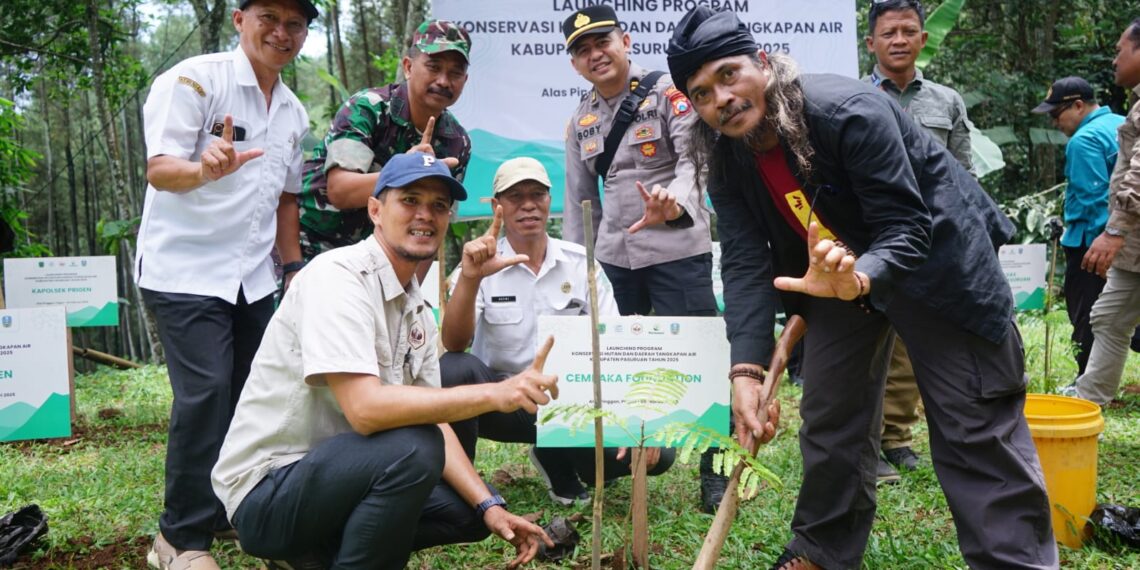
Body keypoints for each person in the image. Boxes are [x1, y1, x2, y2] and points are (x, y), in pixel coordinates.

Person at [666, 7, 1058, 570]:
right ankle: (822, 551)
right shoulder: (724, 157)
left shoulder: (846, 110)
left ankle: (1013, 562)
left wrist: (860, 277)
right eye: (701, 93)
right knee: (829, 416)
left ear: (762, 63)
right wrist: (746, 372)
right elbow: (747, 266)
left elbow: (906, 225)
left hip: (934, 262)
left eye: (728, 75)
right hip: (834, 281)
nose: (720, 99)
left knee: (975, 426)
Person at [211, 152, 554, 569]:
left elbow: (437, 422)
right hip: (268, 492)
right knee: (414, 446)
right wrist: (496, 392)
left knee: (467, 513)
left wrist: (490, 505)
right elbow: (366, 411)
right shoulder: (337, 276)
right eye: (410, 200)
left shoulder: (414, 303)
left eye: (439, 206)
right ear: (375, 210)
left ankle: (318, 556)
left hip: (341, 477)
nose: (425, 215)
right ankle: (315, 553)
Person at [137, 0, 316, 567]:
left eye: (295, 24)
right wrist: (203, 168)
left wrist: (292, 270)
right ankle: (179, 539)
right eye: (269, 17)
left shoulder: (293, 112)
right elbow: (160, 169)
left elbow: (287, 199)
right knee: (207, 393)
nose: (281, 33)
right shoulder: (194, 80)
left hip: (254, 278)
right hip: (184, 270)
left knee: (252, 399)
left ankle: (231, 512)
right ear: (240, 20)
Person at [560, 4, 725, 514]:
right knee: (610, 365)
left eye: (602, 42)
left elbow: (694, 163)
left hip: (677, 248)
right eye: (583, 50)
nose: (595, 54)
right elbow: (577, 202)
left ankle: (715, 473)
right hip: (615, 259)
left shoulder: (669, 95)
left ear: (625, 42)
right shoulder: (580, 121)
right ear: (576, 63)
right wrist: (575, 268)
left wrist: (673, 201)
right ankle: (609, 462)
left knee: (704, 362)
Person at [439, 157, 674, 505]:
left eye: (537, 194)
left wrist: (637, 416)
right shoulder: (477, 266)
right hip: (503, 404)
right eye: (515, 196)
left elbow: (614, 343)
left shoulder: (581, 263)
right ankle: (465, 488)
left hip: (572, 402)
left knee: (655, 455)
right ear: (497, 206)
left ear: (550, 201)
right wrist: (473, 278)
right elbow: (454, 342)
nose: (528, 204)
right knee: (454, 368)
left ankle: (556, 455)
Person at [862, 0, 977, 482]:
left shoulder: (946, 102)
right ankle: (862, 440)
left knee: (911, 344)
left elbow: (963, 175)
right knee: (863, 344)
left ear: (923, 39)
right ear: (871, 42)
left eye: (909, 31)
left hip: (928, 240)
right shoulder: (855, 97)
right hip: (869, 239)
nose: (899, 40)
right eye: (889, 33)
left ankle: (896, 437)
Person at [289, 19, 472, 279]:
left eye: (455, 73)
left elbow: (434, 225)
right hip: (313, 245)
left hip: (375, 260)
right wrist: (404, 170)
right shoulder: (368, 109)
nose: (443, 81)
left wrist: (411, 294)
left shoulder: (456, 142)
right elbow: (339, 190)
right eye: (433, 67)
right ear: (408, 67)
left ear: (465, 80)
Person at [1032, 77, 1140, 381]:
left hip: (1094, 244)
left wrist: (1104, 250)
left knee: (1089, 315)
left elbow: (1095, 199)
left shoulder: (1084, 139)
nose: (1055, 123)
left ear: (1078, 106)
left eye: (1057, 114)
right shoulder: (1121, 121)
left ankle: (1086, 382)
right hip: (1130, 237)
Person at [1068, 19, 1140, 406]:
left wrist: (1113, 232)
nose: (1115, 60)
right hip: (1135, 249)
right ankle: (1087, 405)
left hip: (1125, 234)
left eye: (1119, 50)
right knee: (1109, 318)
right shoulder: (1133, 106)